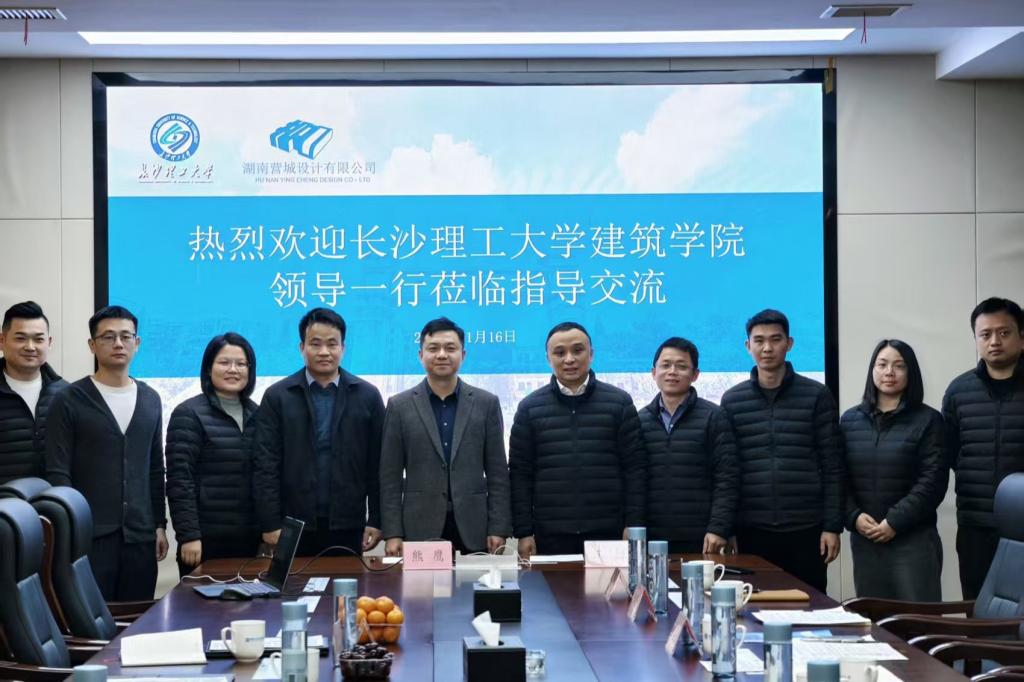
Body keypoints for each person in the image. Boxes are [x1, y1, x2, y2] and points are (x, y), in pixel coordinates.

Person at [44, 305, 167, 601]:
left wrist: (160, 525)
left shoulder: (150, 399)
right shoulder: (69, 399)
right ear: (92, 345)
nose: (118, 343)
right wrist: (68, 530)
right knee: (90, 618)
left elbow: (154, 468)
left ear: (137, 343)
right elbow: (58, 472)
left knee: (138, 618)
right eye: (108, 337)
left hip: (140, 538)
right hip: (88, 538)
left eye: (126, 336)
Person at [720, 309, 843, 593]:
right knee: (753, 605)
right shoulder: (733, 400)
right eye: (759, 340)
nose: (767, 348)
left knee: (810, 605)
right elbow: (728, 470)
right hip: (752, 530)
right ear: (747, 346)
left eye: (775, 339)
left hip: (806, 528)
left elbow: (833, 465)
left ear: (789, 343)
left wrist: (832, 526)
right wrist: (729, 529)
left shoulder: (816, 395)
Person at [253, 307, 384, 557]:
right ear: (302, 348)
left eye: (332, 344)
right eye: (315, 344)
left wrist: (377, 519)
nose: (324, 352)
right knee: (295, 583)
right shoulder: (278, 396)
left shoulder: (367, 396)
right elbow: (265, 464)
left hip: (348, 523)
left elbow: (378, 465)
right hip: (293, 524)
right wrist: (270, 523)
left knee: (347, 583)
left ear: (343, 348)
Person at [509, 322, 646, 557]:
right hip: (550, 535)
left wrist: (633, 525)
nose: (569, 359)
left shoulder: (619, 403)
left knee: (610, 584)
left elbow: (635, 469)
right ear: (548, 358)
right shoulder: (529, 408)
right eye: (560, 352)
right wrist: (524, 531)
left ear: (591, 354)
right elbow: (520, 475)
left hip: (609, 532)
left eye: (577, 350)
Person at [380, 317, 511, 556]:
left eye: (450, 348)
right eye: (433, 348)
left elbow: (498, 473)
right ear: (421, 355)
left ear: (463, 354)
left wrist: (499, 526)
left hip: (474, 526)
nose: (442, 355)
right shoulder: (399, 406)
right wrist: (392, 532)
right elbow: (390, 476)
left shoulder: (486, 403)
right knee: (421, 583)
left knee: (475, 582)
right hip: (418, 526)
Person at [842, 339, 946, 601]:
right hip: (865, 540)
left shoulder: (929, 420)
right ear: (872, 370)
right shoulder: (850, 421)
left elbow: (932, 481)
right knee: (873, 619)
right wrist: (853, 516)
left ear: (911, 373)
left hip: (912, 539)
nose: (889, 372)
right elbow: (838, 477)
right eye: (882, 364)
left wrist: (894, 521)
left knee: (918, 620)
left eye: (899, 366)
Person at [943, 296, 1024, 599]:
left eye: (1004, 333)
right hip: (975, 524)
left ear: (1021, 337)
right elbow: (950, 453)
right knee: (977, 605)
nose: (994, 342)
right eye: (985, 334)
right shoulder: (958, 391)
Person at [166, 333, 261, 577]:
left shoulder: (258, 414)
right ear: (209, 369)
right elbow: (180, 480)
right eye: (224, 362)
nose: (233, 369)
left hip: (250, 538)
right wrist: (189, 535)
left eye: (241, 364)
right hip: (206, 539)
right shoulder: (189, 413)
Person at [639, 337, 738, 554]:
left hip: (701, 538)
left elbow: (727, 477)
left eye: (681, 366)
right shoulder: (639, 420)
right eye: (665, 365)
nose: (672, 372)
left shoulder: (714, 417)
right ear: (653, 372)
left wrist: (719, 527)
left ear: (695, 375)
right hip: (652, 538)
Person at [0, 301, 68, 483]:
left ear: (49, 342)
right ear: (2, 341)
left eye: (38, 339)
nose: (30, 347)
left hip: (54, 499)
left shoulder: (66, 394)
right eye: (20, 338)